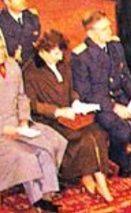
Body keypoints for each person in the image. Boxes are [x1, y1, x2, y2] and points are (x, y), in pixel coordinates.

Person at [0, 32, 67, 213]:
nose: (1, 52)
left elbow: (22, 97)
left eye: (2, 47)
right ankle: (37, 202)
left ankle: (47, 196)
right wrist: (3, 129)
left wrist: (23, 120)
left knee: (51, 141)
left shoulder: (12, 66)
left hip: (17, 123)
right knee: (27, 155)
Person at [71, 11, 131, 180]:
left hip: (122, 98)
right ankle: (120, 160)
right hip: (101, 106)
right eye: (104, 29)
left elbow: (125, 76)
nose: (110, 31)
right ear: (91, 33)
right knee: (125, 131)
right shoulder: (81, 56)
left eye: (109, 26)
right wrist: (114, 107)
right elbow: (85, 93)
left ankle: (130, 162)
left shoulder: (115, 46)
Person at [23, 30, 115, 203]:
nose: (60, 57)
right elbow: (31, 104)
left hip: (70, 115)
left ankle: (91, 176)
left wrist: (76, 102)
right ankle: (98, 182)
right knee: (85, 139)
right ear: (43, 52)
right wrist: (57, 111)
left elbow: (72, 90)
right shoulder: (30, 72)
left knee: (98, 132)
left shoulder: (64, 65)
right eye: (56, 53)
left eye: (61, 52)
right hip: (49, 120)